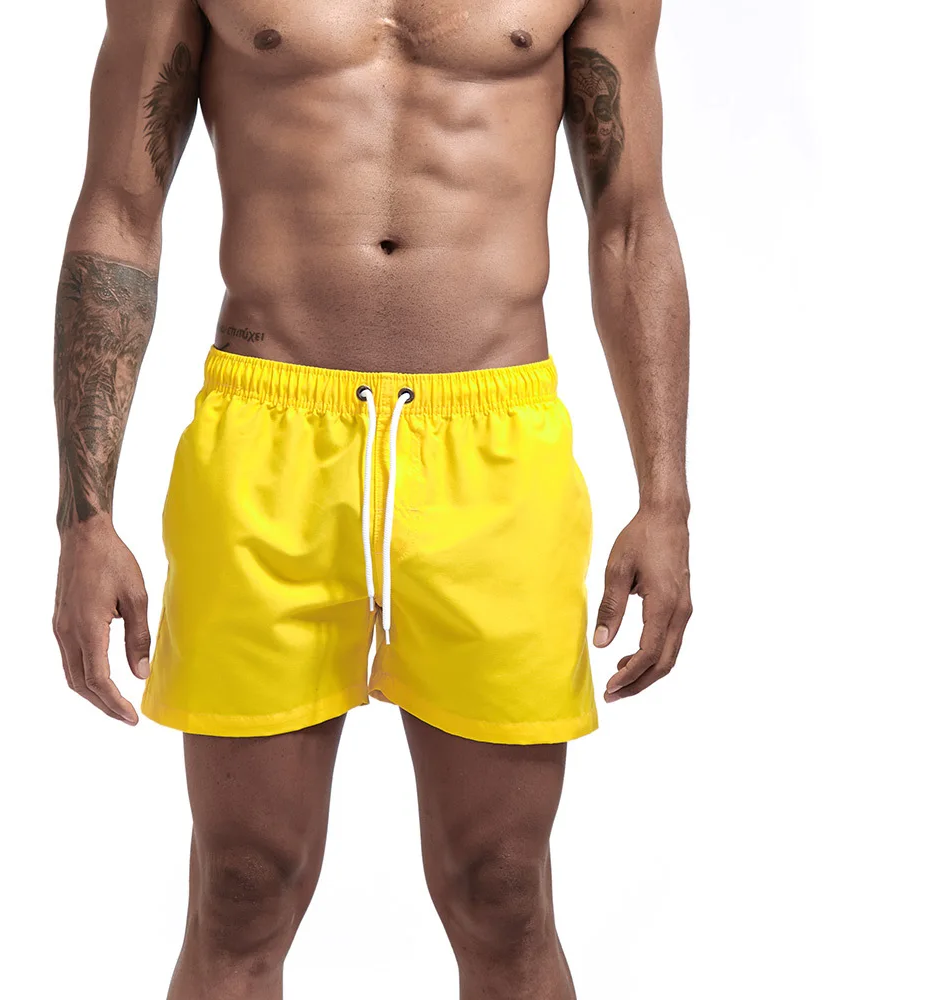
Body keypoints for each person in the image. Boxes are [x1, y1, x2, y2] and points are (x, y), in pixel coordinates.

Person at [52, 0, 692, 996]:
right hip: (268, 438)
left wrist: (665, 500)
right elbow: (121, 206)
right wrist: (85, 517)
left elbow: (631, 219)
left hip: (494, 444)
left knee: (503, 889)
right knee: (240, 887)